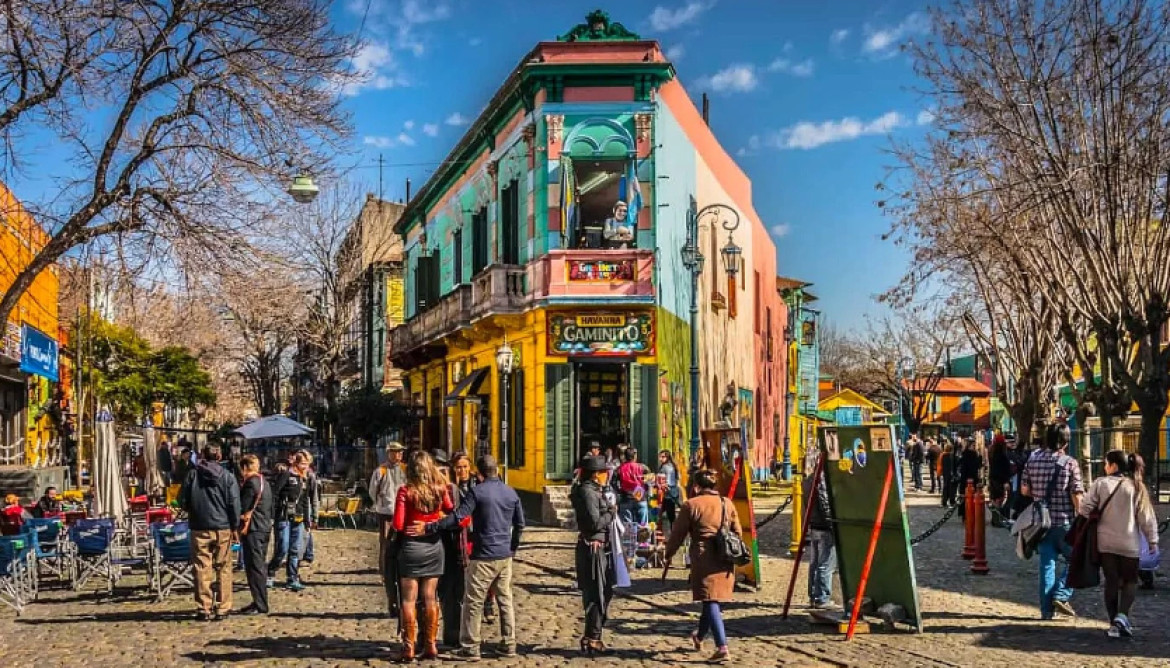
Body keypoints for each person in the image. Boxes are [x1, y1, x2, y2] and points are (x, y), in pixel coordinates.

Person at [410, 454, 524, 659]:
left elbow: (459, 517)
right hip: (504, 555)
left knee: (473, 602)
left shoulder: (477, 492)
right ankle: (509, 643)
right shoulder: (510, 492)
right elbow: (520, 524)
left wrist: (431, 526)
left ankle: (470, 646)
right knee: (505, 600)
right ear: (496, 471)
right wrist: (512, 547)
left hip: (483, 555)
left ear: (478, 474)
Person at [662, 469, 742, 664]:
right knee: (711, 599)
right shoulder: (727, 503)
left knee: (710, 599)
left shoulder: (691, 505)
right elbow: (737, 532)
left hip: (703, 557)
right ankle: (699, 636)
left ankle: (722, 646)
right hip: (724, 557)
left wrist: (668, 554)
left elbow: (677, 535)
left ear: (696, 487)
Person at [1080, 450, 1159, 638]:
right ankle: (1123, 616)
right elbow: (1146, 517)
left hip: (1105, 542)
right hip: (1129, 542)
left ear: (1114, 465)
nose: (1104, 467)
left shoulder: (1100, 484)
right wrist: (1152, 540)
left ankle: (1113, 623)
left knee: (1111, 582)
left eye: (1106, 463)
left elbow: (1084, 508)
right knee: (1130, 581)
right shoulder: (1136, 486)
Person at [393, 451, 454, 662]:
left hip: (411, 548)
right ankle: (431, 644)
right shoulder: (440, 489)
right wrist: (432, 522)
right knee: (430, 597)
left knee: (409, 600)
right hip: (434, 547)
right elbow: (451, 511)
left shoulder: (405, 491)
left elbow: (398, 524)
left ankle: (408, 647)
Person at [1020, 422, 1083, 620]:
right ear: (1065, 442)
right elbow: (1077, 496)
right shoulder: (1070, 463)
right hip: (1064, 522)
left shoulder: (1033, 459)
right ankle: (1061, 593)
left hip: (1041, 523)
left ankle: (1047, 611)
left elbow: (1024, 490)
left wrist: (1039, 495)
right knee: (1078, 559)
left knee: (1046, 565)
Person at [179, 447, 241, 621]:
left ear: (202, 456)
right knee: (224, 567)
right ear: (220, 456)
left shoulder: (193, 475)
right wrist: (235, 525)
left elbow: (182, 500)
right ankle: (223, 607)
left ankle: (204, 607)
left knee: (201, 567)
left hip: (199, 526)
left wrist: (193, 509)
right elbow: (234, 503)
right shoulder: (227, 477)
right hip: (222, 527)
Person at [571, 455, 619, 656]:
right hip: (593, 549)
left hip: (600, 547)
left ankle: (593, 636)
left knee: (605, 592)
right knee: (596, 595)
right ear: (596, 474)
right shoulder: (588, 493)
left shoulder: (594, 491)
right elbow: (594, 522)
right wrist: (611, 512)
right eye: (603, 472)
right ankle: (593, 638)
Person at [267, 450, 314, 592]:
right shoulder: (286, 475)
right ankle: (270, 572)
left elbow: (306, 500)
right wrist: (273, 515)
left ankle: (292, 578)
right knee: (283, 547)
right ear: (296, 463)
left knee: (295, 550)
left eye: (307, 464)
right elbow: (275, 494)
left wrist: (307, 520)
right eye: (303, 464)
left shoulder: (305, 479)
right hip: (283, 517)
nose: (305, 467)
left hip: (298, 518)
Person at [370, 442, 407, 617]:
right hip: (386, 512)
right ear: (388, 453)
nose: (397, 455)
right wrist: (380, 503)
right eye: (394, 452)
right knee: (385, 544)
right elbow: (373, 490)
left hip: (403, 512)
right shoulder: (381, 470)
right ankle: (385, 573)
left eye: (400, 452)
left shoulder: (406, 469)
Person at [238, 454, 273, 616]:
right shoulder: (263, 481)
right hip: (264, 527)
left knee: (255, 567)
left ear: (244, 468)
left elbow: (243, 507)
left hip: (254, 529)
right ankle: (258, 600)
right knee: (259, 566)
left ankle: (260, 604)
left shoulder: (250, 484)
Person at [804, 456, 835, 608]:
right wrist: (831, 524)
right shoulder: (821, 480)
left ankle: (813, 595)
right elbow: (824, 503)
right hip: (824, 526)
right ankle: (822, 598)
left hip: (814, 525)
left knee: (814, 563)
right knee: (825, 563)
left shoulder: (808, 479)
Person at [615, 447, 651, 525]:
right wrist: (645, 490)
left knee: (628, 526)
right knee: (643, 525)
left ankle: (629, 537)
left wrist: (620, 491)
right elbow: (649, 481)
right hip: (640, 495)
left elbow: (613, 483)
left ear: (625, 456)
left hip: (626, 497)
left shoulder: (619, 469)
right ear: (635, 456)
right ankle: (643, 535)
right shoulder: (643, 467)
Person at [988, 434, 1012, 525]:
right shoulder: (1001, 454)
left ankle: (995, 519)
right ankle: (997, 520)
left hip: (993, 479)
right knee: (1000, 500)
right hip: (1000, 480)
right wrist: (1006, 480)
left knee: (995, 499)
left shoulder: (991, 452)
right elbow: (1004, 469)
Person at [656, 450, 682, 535]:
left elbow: (666, 481)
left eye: (663, 457)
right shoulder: (673, 466)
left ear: (667, 457)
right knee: (670, 514)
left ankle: (669, 533)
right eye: (660, 456)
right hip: (673, 492)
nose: (660, 459)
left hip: (667, 493)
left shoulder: (666, 467)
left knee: (665, 514)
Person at [957, 439, 984, 519]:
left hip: (970, 478)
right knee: (967, 497)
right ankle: (966, 514)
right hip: (968, 478)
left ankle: (969, 513)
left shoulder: (972, 454)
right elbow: (973, 466)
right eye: (973, 446)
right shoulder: (968, 455)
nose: (974, 447)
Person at [939, 441, 958, 507]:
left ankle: (944, 501)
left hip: (945, 473)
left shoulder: (943, 456)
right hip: (951, 474)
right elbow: (955, 466)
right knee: (952, 488)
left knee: (945, 487)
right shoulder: (952, 456)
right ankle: (951, 501)